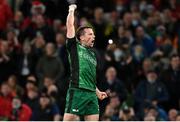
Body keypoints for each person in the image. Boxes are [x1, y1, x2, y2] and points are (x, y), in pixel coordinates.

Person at [63, 4, 108, 121]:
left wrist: (97, 92)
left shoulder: (93, 54)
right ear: (81, 37)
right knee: (69, 119)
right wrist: (71, 10)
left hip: (91, 95)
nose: (94, 36)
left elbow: (90, 77)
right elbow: (69, 25)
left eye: (93, 34)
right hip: (77, 90)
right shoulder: (74, 47)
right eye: (90, 34)